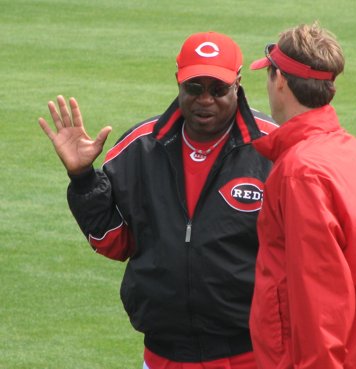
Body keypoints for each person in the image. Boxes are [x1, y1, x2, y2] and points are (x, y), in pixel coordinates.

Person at [38, 31, 277, 369]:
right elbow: (114, 241)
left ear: (237, 84)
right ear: (178, 83)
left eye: (218, 89)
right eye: (194, 88)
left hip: (251, 355)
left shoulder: (273, 149)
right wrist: (83, 178)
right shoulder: (139, 148)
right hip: (163, 355)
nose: (205, 100)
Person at [248, 22, 356, 369]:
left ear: (282, 80)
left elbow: (319, 301)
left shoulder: (300, 173)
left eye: (269, 75)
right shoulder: (354, 151)